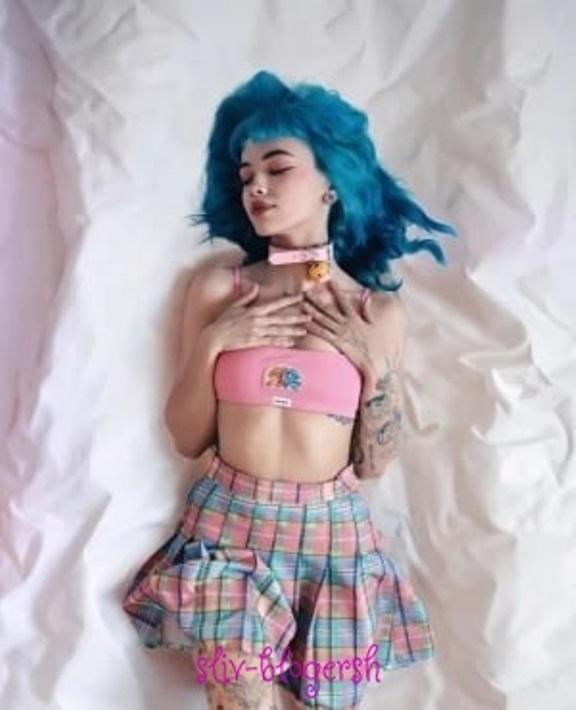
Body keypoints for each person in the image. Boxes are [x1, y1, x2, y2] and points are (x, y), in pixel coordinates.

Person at [121, 70, 456, 710]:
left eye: (277, 168)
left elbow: (374, 463)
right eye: (246, 175)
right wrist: (216, 341)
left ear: (333, 181)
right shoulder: (221, 290)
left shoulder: (375, 312)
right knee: (241, 696)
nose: (257, 186)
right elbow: (187, 437)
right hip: (229, 529)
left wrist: (375, 367)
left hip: (332, 539)